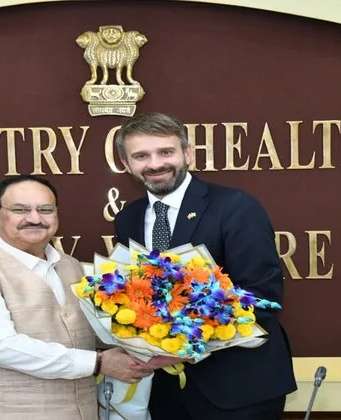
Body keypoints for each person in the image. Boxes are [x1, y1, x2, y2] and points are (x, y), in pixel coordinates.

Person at [113, 112, 297, 419]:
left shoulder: (236, 207)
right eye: (141, 156)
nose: (155, 164)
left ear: (187, 153)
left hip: (238, 388)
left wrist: (182, 345)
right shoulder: (128, 218)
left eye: (166, 152)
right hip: (168, 392)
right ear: (126, 164)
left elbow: (261, 295)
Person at [0, 175, 152, 420]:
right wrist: (98, 363)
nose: (35, 219)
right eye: (20, 210)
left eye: (45, 210)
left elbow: (94, 333)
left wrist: (154, 343)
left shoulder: (72, 267)